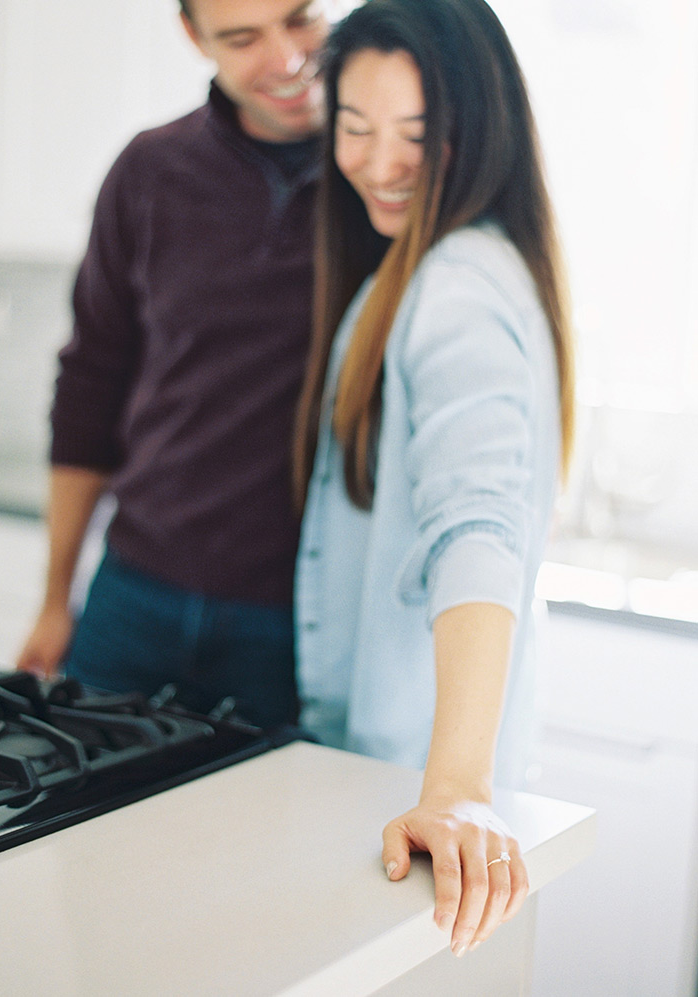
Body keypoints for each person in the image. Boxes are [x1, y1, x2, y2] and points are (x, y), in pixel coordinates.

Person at [292, 0, 575, 955]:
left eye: (417, 135)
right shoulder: (453, 264)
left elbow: (476, 524)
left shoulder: (453, 287)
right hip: (391, 782)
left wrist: (455, 786)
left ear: (480, 130)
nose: (380, 164)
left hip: (413, 800)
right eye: (355, 126)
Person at [16, 0, 330, 729]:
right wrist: (56, 598)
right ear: (194, 37)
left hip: (296, 620)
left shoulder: (383, 180)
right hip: (133, 594)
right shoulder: (149, 170)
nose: (285, 60)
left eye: (302, 18)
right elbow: (89, 386)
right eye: (242, 39)